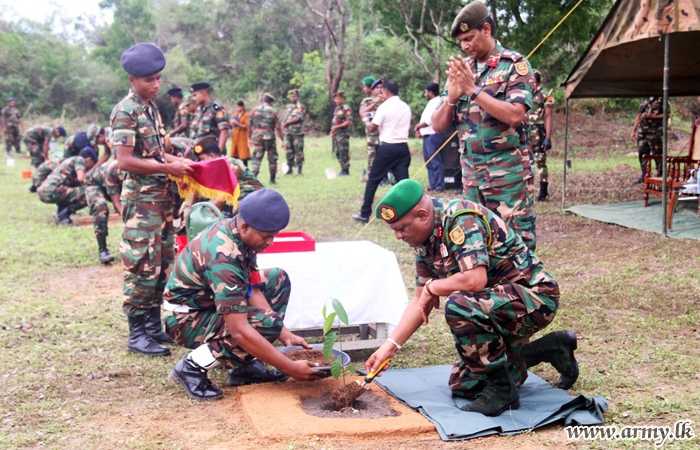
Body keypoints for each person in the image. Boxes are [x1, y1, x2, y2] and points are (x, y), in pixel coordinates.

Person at [365, 179, 579, 416]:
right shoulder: (424, 241)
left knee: (458, 304)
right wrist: (389, 346)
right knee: (464, 385)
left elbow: (474, 280)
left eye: (401, 228)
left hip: (535, 299)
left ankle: (503, 392)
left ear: (423, 216)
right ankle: (553, 348)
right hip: (496, 306)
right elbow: (419, 301)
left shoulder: (461, 219)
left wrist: (434, 287)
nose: (397, 236)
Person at [165, 189, 327, 401]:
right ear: (245, 227)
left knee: (277, 279)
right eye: (266, 236)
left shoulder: (239, 234)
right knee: (265, 323)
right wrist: (290, 367)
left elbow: (253, 288)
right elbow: (239, 330)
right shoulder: (223, 256)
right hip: (185, 319)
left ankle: (243, 367)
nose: (270, 242)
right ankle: (191, 367)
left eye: (273, 236)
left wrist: (284, 334)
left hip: (211, 305)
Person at [431, 1, 537, 250]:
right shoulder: (462, 71)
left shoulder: (514, 66)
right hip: (471, 177)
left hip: (507, 176)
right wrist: (452, 98)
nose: (465, 46)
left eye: (469, 38)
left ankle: (522, 290)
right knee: (479, 241)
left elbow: (515, 116)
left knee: (516, 244)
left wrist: (473, 90)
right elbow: (437, 126)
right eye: (461, 41)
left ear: (487, 30)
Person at [111, 42, 193, 357]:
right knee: (141, 264)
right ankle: (136, 335)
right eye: (149, 80)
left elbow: (156, 153)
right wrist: (167, 166)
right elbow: (125, 161)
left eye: (159, 78)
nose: (156, 84)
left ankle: (152, 326)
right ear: (133, 80)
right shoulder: (127, 110)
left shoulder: (151, 107)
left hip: (162, 201)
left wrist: (181, 164)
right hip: (142, 204)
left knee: (161, 264)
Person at [352, 79, 411, 223]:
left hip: (388, 147)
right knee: (403, 183)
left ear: (385, 91)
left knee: (372, 181)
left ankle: (365, 214)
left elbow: (372, 127)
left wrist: (365, 119)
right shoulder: (405, 107)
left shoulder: (384, 107)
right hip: (403, 147)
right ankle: (410, 213)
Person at [183, 137, 264, 219]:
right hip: (236, 202)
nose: (200, 162)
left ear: (211, 156)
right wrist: (189, 208)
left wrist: (206, 214)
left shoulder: (229, 164)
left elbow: (225, 195)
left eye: (202, 159)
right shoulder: (214, 167)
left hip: (255, 200)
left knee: (239, 209)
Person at [37, 148, 97, 225]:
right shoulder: (80, 160)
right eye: (92, 163)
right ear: (89, 159)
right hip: (52, 190)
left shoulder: (70, 162)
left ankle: (60, 214)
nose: (91, 167)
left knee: (69, 192)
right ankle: (63, 216)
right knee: (90, 192)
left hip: (44, 191)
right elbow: (81, 178)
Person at [85, 159, 124, 264]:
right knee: (100, 207)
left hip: (119, 185)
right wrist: (128, 221)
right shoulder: (114, 170)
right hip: (96, 184)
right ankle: (103, 250)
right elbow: (117, 203)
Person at [414, 82, 446, 192]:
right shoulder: (431, 102)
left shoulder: (438, 102)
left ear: (431, 92)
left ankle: (439, 186)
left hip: (434, 136)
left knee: (435, 161)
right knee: (429, 162)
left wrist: (418, 126)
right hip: (427, 136)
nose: (424, 94)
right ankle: (433, 185)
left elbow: (430, 120)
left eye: (426, 92)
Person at [527, 70, 554, 201]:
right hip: (525, 130)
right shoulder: (525, 94)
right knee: (525, 161)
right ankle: (527, 192)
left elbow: (548, 117)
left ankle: (543, 192)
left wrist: (548, 138)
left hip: (538, 131)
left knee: (540, 161)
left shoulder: (545, 95)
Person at [248, 93, 285, 184]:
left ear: (263, 101)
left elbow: (249, 125)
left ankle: (254, 178)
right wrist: (282, 140)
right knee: (272, 158)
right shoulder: (273, 111)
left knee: (257, 158)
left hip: (257, 137)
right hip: (269, 138)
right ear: (271, 102)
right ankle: (272, 180)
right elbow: (278, 127)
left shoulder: (254, 110)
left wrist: (249, 137)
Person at [631, 96, 663, 183]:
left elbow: (666, 115)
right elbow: (639, 115)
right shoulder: (643, 99)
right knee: (643, 154)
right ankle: (644, 176)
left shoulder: (660, 98)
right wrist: (633, 130)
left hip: (655, 133)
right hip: (642, 132)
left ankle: (661, 176)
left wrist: (651, 117)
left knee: (657, 154)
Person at [190, 82, 230, 153]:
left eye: (195, 95)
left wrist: (218, 154)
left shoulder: (216, 109)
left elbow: (224, 132)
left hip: (212, 153)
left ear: (203, 93)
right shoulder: (200, 110)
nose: (194, 98)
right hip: (200, 153)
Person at [359, 77, 383, 182]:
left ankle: (385, 178)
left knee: (385, 157)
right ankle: (372, 178)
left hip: (386, 135)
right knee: (372, 157)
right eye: (377, 87)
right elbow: (362, 113)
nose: (379, 90)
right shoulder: (368, 101)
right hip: (372, 135)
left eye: (381, 87)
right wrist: (375, 103)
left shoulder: (388, 101)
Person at [282, 90, 306, 175]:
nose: (293, 98)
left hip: (297, 132)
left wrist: (287, 123)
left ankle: (299, 169)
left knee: (298, 150)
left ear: (298, 97)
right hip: (288, 132)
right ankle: (290, 169)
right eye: (291, 96)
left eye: (294, 96)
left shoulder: (300, 107)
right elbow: (287, 116)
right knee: (289, 151)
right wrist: (283, 122)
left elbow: (298, 118)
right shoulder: (289, 106)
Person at [330, 91, 353, 176]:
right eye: (335, 99)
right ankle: (342, 168)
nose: (335, 100)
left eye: (337, 99)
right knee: (338, 151)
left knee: (343, 151)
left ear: (342, 99)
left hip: (343, 134)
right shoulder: (338, 108)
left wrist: (337, 127)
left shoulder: (346, 108)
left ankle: (345, 169)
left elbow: (349, 121)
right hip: (337, 134)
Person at [230, 100, 250, 165]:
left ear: (242, 107)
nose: (237, 109)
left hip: (243, 136)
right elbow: (232, 126)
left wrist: (237, 123)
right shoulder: (235, 114)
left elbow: (246, 126)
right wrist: (230, 123)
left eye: (238, 107)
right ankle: (235, 170)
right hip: (235, 136)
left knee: (244, 154)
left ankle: (246, 170)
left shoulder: (246, 115)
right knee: (234, 154)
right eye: (236, 107)